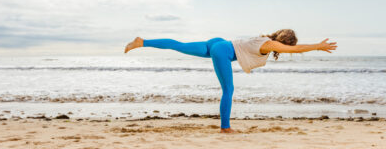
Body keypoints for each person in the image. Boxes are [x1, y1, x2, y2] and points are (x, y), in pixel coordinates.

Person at [124, 29, 337, 133]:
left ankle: (143, 42)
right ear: (285, 42)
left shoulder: (265, 39)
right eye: (287, 45)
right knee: (228, 89)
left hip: (219, 43)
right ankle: (225, 128)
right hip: (223, 50)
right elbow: (294, 49)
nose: (286, 48)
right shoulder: (271, 44)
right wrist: (317, 46)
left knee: (179, 45)